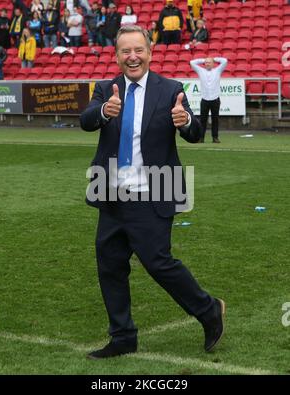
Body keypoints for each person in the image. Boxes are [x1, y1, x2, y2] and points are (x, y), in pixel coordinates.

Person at [80, 25, 225, 359]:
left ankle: (208, 310)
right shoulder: (106, 88)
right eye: (125, 51)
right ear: (117, 55)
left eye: (138, 50)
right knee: (110, 264)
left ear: (150, 51)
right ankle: (122, 337)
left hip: (154, 189)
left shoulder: (170, 89)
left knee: (157, 262)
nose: (133, 57)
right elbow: (87, 120)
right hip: (112, 191)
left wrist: (185, 119)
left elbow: (195, 134)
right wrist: (104, 111)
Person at [190, 57, 227, 143]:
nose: (207, 64)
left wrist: (214, 59)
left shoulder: (218, 70)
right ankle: (201, 138)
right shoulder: (200, 70)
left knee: (215, 119)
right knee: (202, 120)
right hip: (204, 99)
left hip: (215, 99)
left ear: (213, 63)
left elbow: (224, 61)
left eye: (209, 62)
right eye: (206, 63)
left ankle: (215, 137)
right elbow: (192, 62)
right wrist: (203, 60)